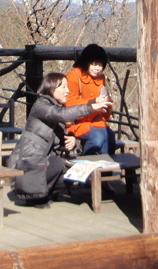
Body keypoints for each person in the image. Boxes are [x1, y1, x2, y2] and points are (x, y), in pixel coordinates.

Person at [7, 72, 111, 207]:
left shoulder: (56, 108)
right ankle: (34, 196)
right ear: (51, 88)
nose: (67, 91)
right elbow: (62, 115)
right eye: (63, 87)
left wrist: (71, 141)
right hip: (26, 166)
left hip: (40, 164)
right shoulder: (41, 106)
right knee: (57, 163)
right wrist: (91, 107)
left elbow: (60, 137)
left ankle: (42, 193)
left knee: (70, 173)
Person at [65, 44, 116, 156]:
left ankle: (105, 171)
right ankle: (88, 168)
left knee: (110, 136)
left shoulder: (100, 78)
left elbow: (103, 110)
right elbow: (69, 103)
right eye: (94, 64)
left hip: (95, 120)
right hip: (76, 121)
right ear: (86, 62)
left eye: (100, 65)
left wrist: (107, 104)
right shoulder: (74, 76)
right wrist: (92, 102)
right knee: (97, 138)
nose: (97, 68)